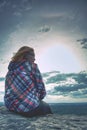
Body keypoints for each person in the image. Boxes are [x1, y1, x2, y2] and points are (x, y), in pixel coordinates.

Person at [4, 46, 52, 117]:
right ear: (25, 55)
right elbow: (41, 89)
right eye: (32, 55)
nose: (34, 59)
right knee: (46, 107)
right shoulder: (33, 67)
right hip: (27, 109)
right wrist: (38, 98)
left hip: (10, 105)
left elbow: (7, 90)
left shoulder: (10, 70)